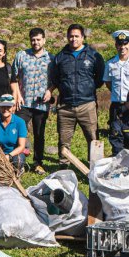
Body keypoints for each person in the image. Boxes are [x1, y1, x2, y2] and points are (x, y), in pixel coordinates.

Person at [48, 23, 105, 164]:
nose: (74, 39)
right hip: (65, 107)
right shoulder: (60, 57)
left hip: (87, 104)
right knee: (64, 141)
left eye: (77, 36)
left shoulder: (94, 56)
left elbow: (99, 78)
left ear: (83, 37)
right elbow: (55, 78)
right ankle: (63, 168)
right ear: (67, 37)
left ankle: (96, 168)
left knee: (93, 139)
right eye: (71, 36)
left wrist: (88, 88)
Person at [13, 27, 53, 174]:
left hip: (41, 104)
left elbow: (56, 80)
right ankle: (19, 161)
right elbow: (13, 78)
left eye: (38, 39)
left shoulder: (51, 59)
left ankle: (38, 162)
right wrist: (17, 95)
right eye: (33, 40)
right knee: (19, 131)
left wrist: (50, 90)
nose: (36, 42)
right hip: (23, 102)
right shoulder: (21, 56)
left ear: (44, 40)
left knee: (39, 133)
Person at [0, 94, 28, 171]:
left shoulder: (20, 122)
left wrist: (8, 156)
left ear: (13, 107)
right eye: (3, 106)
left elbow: (21, 146)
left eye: (8, 106)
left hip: (14, 153)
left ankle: (18, 169)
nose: (5, 109)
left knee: (18, 161)